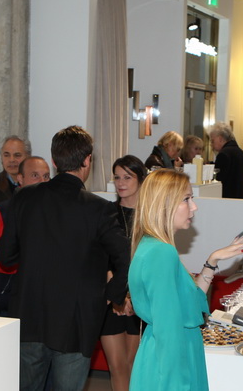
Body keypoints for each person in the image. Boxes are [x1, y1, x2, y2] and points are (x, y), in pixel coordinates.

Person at [0, 126, 131, 391]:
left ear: (54, 161)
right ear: (87, 160)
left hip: (29, 314)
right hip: (76, 322)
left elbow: (6, 256)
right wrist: (111, 295)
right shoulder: (99, 208)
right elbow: (126, 258)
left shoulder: (24, 197)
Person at [128, 169, 243, 390]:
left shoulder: (153, 245)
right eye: (186, 199)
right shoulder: (162, 253)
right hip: (172, 362)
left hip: (170, 354)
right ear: (164, 204)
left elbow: (190, 302)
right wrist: (177, 382)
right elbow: (167, 328)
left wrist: (212, 260)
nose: (194, 207)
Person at [0, 156, 51, 316]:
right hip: (13, 298)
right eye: (35, 175)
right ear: (20, 179)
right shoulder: (3, 211)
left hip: (48, 299)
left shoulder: (56, 211)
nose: (42, 181)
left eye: (46, 176)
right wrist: (21, 265)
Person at [101, 155, 146, 391]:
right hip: (110, 298)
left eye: (127, 177)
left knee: (134, 365)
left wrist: (131, 296)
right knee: (117, 366)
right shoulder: (105, 212)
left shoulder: (150, 216)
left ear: (141, 179)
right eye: (117, 177)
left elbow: (150, 261)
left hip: (140, 298)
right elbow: (98, 256)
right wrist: (116, 292)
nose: (121, 183)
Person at [208, 122, 243, 199]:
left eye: (212, 141)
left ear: (220, 139)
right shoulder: (240, 152)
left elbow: (218, 182)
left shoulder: (223, 154)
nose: (211, 144)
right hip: (241, 199)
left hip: (227, 200)